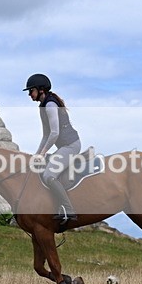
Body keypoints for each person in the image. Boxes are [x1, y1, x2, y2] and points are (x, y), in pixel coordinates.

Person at [24, 73, 81, 224]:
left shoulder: (50, 105)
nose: (30, 94)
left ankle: (69, 209)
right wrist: (36, 156)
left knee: (49, 175)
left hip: (71, 145)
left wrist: (43, 153)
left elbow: (55, 133)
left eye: (31, 91)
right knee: (40, 168)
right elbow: (46, 135)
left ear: (41, 90)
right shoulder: (43, 106)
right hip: (63, 146)